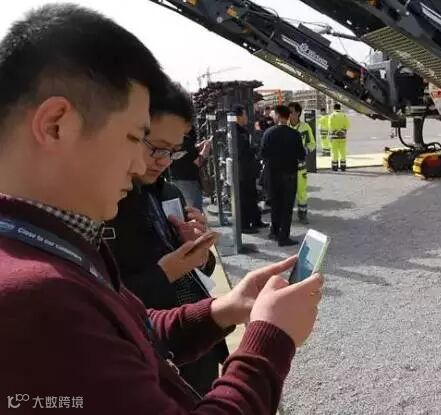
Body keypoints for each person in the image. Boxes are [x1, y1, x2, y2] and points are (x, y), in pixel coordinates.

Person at [0, 5, 323, 414]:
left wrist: (225, 308)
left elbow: (135, 329)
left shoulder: (49, 244)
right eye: (134, 138)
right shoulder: (35, 297)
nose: (141, 165)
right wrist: (271, 340)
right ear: (56, 125)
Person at [106, 79, 228, 393]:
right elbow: (98, 304)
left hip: (199, 346)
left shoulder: (168, 192)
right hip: (149, 361)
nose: (163, 160)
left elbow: (199, 270)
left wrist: (198, 252)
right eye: (156, 147)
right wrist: (166, 273)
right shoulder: (102, 206)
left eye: (173, 152)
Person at [261, 105, 306, 246]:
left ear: (278, 116)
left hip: (273, 175)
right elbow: (301, 155)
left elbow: (262, 153)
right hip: (289, 175)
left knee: (275, 204)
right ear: (287, 117)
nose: (272, 117)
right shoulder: (295, 134)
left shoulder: (268, 133)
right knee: (287, 207)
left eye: (274, 114)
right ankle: (284, 236)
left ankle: (274, 232)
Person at [234, 105, 267, 233]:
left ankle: (256, 220)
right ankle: (245, 225)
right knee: (244, 198)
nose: (246, 117)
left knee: (252, 196)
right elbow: (241, 152)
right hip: (242, 171)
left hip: (249, 170)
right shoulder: (235, 132)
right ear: (238, 117)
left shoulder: (242, 130)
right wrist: (254, 148)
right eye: (245, 115)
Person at [288, 102, 316, 224]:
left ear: (298, 113)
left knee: (302, 192)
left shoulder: (305, 127)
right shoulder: (284, 126)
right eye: (288, 112)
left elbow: (312, 144)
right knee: (287, 192)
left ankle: (302, 214)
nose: (289, 114)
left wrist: (303, 151)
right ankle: (286, 216)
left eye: (291, 112)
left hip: (300, 168)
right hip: (286, 167)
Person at [169, 126, 205, 210]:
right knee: (193, 209)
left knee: (184, 206)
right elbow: (198, 162)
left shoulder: (175, 141)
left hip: (175, 177)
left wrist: (197, 147)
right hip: (189, 180)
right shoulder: (187, 142)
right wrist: (205, 150)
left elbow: (184, 154)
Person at [328, 103, 350, 171]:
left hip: (334, 137)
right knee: (343, 151)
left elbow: (330, 126)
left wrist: (336, 132)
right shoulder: (344, 115)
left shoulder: (332, 116)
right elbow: (347, 125)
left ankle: (335, 167)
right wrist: (342, 131)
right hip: (342, 137)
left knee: (334, 152)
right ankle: (343, 166)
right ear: (340, 108)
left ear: (334, 108)